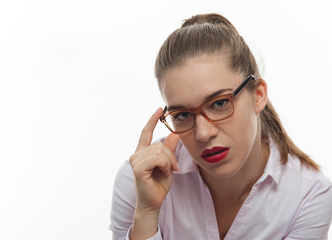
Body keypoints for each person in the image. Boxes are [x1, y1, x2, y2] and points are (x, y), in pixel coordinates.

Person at [109, 13, 332, 240]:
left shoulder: (309, 195)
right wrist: (147, 213)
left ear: (258, 95)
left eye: (219, 103)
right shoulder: (139, 181)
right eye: (183, 114)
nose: (204, 133)